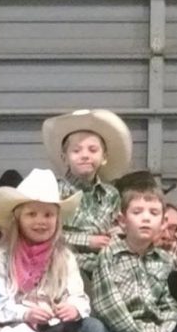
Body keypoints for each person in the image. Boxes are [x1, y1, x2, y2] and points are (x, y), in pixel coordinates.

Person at [0, 168, 110, 332]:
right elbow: (0, 304)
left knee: (93, 328)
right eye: (31, 214)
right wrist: (26, 313)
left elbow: (78, 296)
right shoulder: (2, 256)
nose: (41, 221)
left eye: (48, 215)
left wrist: (73, 308)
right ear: (18, 219)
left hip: (53, 330)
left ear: (57, 219)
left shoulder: (64, 255)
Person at [89, 171, 177, 332]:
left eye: (153, 213)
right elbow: (108, 306)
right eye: (137, 212)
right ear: (122, 220)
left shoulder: (165, 260)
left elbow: (171, 304)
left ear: (163, 222)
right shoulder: (109, 255)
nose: (145, 218)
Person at [42, 109, 133, 276]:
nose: (85, 155)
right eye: (76, 151)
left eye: (92, 150)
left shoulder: (111, 194)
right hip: (62, 263)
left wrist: (117, 234)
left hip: (105, 265)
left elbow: (117, 229)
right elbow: (43, 233)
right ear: (64, 158)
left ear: (104, 157)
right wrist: (87, 241)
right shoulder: (53, 190)